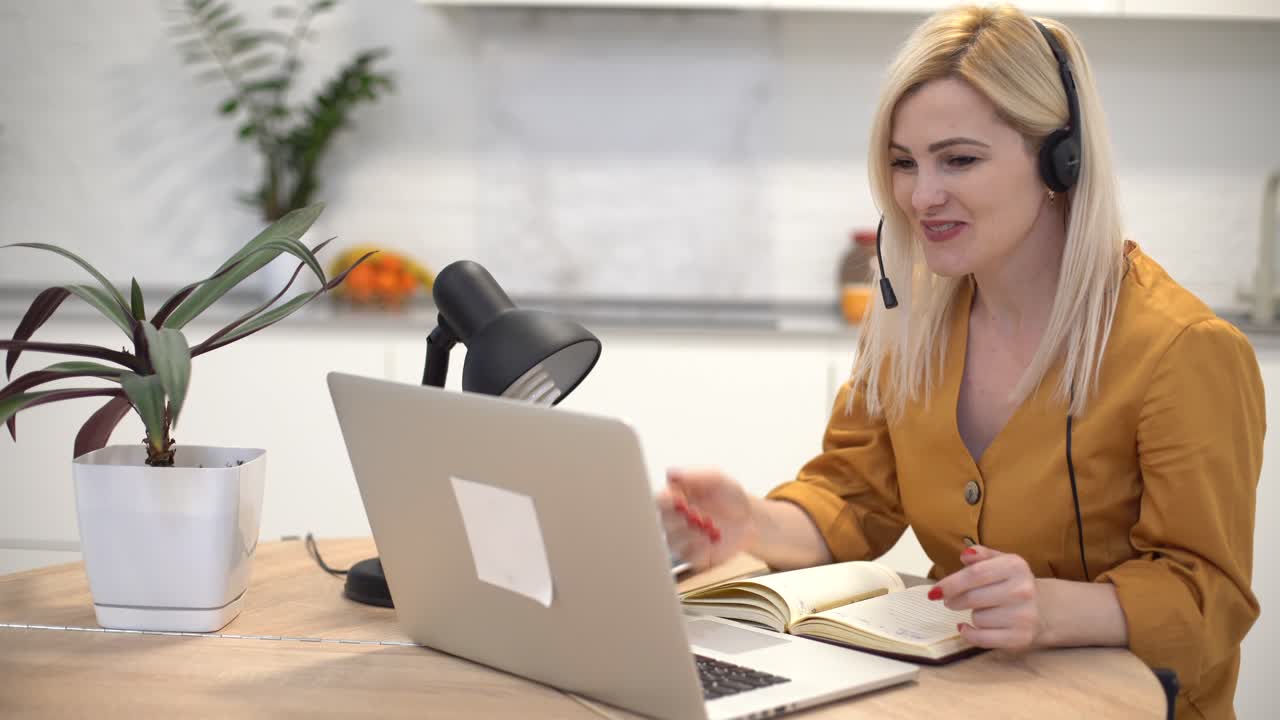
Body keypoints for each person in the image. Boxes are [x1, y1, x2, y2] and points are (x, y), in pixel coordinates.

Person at [657, 5, 1264, 719]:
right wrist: (750, 522)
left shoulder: (1183, 350)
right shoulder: (909, 317)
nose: (921, 196)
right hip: (965, 698)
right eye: (904, 163)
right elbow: (855, 498)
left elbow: (1211, 595)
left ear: (1059, 161)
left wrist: (1056, 608)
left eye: (960, 159)